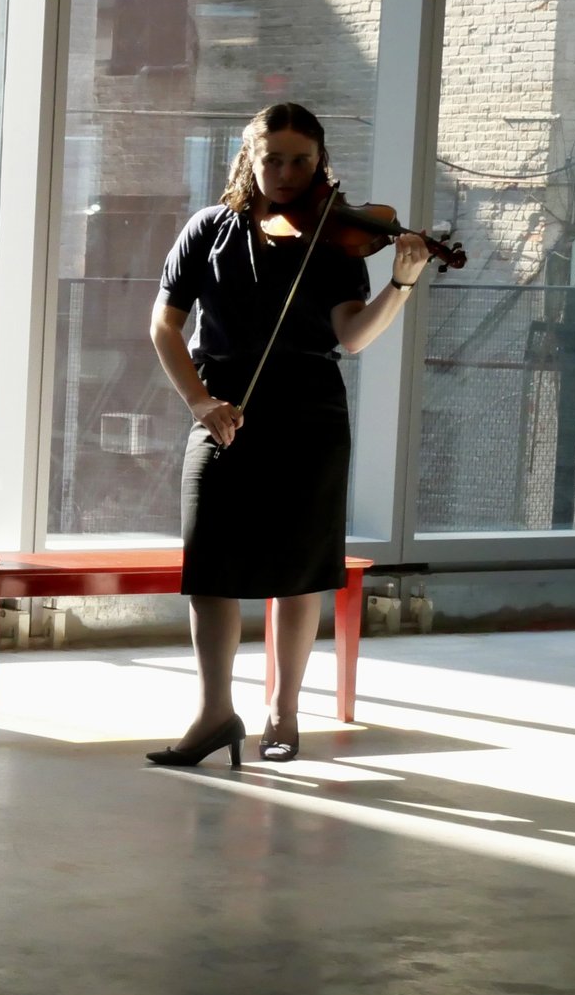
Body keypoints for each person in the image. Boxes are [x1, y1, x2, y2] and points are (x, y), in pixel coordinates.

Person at [146, 100, 430, 767]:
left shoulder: (335, 240)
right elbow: (164, 327)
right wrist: (200, 402)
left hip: (310, 419)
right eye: (272, 157)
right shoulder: (207, 230)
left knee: (299, 574)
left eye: (301, 160)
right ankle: (215, 712)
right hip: (223, 413)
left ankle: (284, 708)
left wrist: (403, 284)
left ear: (319, 163)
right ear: (249, 156)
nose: (286, 171)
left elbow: (353, 336)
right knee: (208, 570)